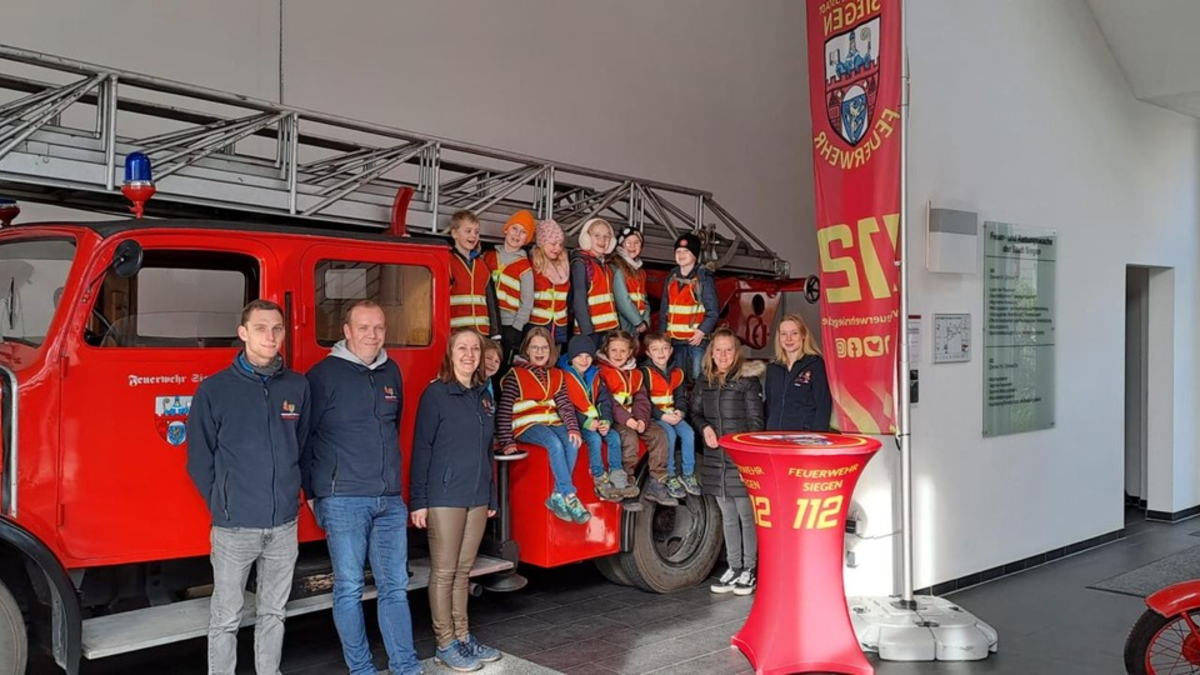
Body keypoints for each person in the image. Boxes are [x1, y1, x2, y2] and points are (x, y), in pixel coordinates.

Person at [185, 299, 310, 675]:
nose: (270, 336)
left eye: (277, 328)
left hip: (284, 526)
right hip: (234, 528)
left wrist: (290, 495)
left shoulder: (298, 386)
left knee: (274, 613)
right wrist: (223, 503)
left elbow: (300, 446)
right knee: (226, 617)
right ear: (243, 334)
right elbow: (198, 460)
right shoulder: (215, 390)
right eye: (260, 328)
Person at [302, 300, 420, 675]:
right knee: (349, 587)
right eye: (364, 328)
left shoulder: (391, 372)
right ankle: (361, 669)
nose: (372, 335)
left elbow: (393, 426)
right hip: (343, 500)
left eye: (379, 328)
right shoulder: (321, 377)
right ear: (347, 331)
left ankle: (405, 666)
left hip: (388, 499)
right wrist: (313, 494)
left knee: (395, 587)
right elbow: (304, 439)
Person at [410, 328, 501, 672]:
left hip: (476, 494)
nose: (469, 354)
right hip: (444, 495)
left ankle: (463, 638)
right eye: (462, 348)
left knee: (464, 571)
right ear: (450, 353)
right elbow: (422, 448)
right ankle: (445, 642)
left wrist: (490, 494)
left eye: (474, 348)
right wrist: (419, 500)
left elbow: (486, 451)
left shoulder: (483, 395)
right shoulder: (436, 394)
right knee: (445, 571)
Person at [690, 328, 763, 596]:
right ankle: (733, 567)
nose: (722, 355)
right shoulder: (704, 381)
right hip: (715, 459)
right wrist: (704, 428)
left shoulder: (748, 381)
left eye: (728, 350)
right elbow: (695, 412)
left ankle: (749, 570)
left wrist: (748, 461)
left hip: (740, 460)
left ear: (737, 353)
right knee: (728, 517)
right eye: (718, 350)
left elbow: (756, 425)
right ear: (711, 353)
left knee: (746, 515)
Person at [495, 327, 589, 524]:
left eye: (544, 348)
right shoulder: (515, 374)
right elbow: (504, 410)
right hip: (526, 425)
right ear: (526, 350)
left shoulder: (557, 375)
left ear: (551, 351)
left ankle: (557, 495)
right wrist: (506, 441)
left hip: (551, 422)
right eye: (535, 347)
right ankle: (569, 496)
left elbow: (564, 405)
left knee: (572, 442)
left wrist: (573, 428)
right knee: (554, 444)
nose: (539, 352)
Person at [596, 330, 676, 506]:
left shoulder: (636, 373)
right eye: (614, 350)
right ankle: (626, 486)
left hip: (635, 418)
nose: (618, 355)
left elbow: (642, 400)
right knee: (630, 439)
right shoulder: (601, 371)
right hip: (615, 419)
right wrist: (627, 420)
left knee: (659, 435)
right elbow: (607, 401)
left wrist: (641, 420)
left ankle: (657, 484)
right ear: (606, 350)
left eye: (623, 351)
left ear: (631, 352)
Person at [558, 334, 638, 505]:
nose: (584, 360)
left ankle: (618, 477)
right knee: (594, 439)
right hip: (579, 424)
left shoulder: (595, 375)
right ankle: (599, 478)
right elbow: (564, 407)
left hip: (597, 421)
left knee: (614, 437)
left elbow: (604, 401)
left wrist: (606, 421)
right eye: (579, 356)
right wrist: (586, 422)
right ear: (571, 356)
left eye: (588, 356)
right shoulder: (562, 377)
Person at [642, 332, 700, 500]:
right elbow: (644, 402)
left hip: (673, 414)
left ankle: (688, 474)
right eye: (655, 349)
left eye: (665, 349)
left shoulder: (677, 372)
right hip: (655, 417)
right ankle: (670, 475)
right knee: (670, 435)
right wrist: (661, 415)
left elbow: (681, 397)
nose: (661, 353)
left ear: (671, 350)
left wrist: (680, 412)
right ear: (648, 353)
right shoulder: (645, 372)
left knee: (689, 433)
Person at [658, 232, 718, 382]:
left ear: (695, 255)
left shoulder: (703, 278)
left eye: (686, 251)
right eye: (678, 251)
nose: (681, 255)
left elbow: (713, 310)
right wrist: (662, 335)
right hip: (674, 339)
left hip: (695, 340)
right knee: (678, 378)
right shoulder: (671, 277)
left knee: (699, 377)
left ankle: (699, 406)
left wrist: (701, 332)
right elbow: (664, 310)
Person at [484, 210, 536, 367]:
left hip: (508, 324)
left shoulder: (525, 267)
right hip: (486, 320)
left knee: (500, 365)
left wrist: (517, 327)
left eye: (523, 232)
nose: (517, 234)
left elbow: (527, 301)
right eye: (514, 228)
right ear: (506, 229)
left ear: (526, 239)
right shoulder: (487, 256)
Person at [765, 314, 833, 432]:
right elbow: (769, 406)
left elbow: (823, 406)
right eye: (784, 334)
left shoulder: (816, 365)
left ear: (803, 335)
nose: (788, 338)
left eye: (794, 333)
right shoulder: (773, 368)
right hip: (774, 437)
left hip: (804, 439)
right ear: (779, 337)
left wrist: (817, 438)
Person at [448, 209, 500, 337]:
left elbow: (491, 302)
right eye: (468, 231)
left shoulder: (482, 265)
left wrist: (496, 334)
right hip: (456, 333)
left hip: (482, 334)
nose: (473, 235)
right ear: (454, 233)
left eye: (477, 232)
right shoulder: (447, 261)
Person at [570, 217, 620, 349]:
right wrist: (587, 332)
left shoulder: (605, 265)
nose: (602, 240)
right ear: (587, 238)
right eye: (597, 235)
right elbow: (579, 299)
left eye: (606, 236)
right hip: (591, 332)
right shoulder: (581, 262)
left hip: (608, 330)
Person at [528, 219, 571, 347]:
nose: (557, 248)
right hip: (537, 322)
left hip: (560, 324)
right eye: (553, 244)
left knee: (554, 360)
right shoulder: (533, 266)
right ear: (542, 243)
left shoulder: (565, 265)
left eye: (560, 244)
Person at [610, 226, 651, 335]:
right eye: (628, 242)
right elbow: (622, 300)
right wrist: (638, 322)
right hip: (623, 327)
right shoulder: (616, 267)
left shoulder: (640, 271)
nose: (632, 246)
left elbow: (644, 299)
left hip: (636, 327)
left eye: (637, 242)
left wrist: (646, 321)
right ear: (621, 245)